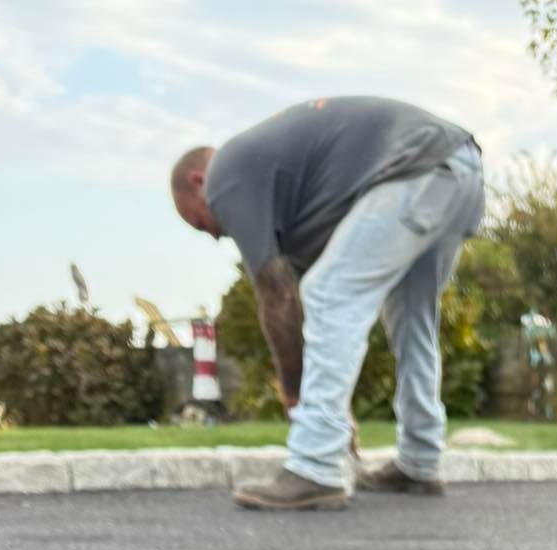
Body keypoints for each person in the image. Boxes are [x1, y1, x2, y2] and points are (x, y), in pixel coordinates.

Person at [171, 98, 484, 512]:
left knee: (327, 292)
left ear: (198, 182)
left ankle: (314, 465)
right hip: (456, 171)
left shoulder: (223, 175)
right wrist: (333, 406)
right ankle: (420, 460)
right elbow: (327, 327)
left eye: (199, 223)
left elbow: (279, 294)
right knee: (412, 318)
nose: (212, 236)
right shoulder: (298, 198)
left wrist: (295, 396)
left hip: (416, 169)